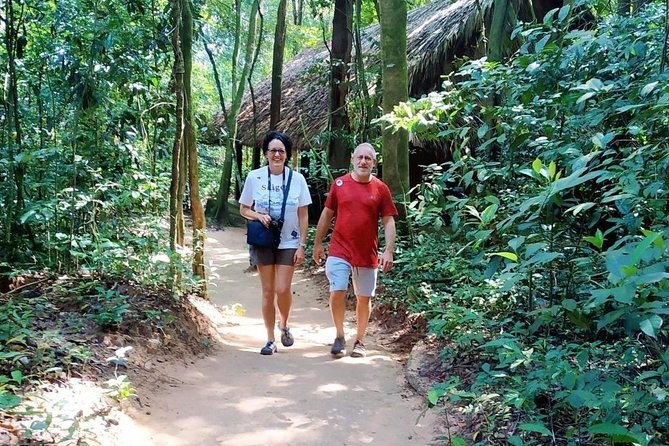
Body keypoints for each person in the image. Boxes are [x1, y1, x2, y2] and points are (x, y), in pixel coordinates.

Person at [312, 143, 397, 358]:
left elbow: (388, 222)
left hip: (367, 253)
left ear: (374, 162)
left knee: (363, 298)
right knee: (337, 290)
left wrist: (388, 251)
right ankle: (340, 336)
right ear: (352, 159)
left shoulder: (380, 188)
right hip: (339, 249)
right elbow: (327, 214)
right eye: (360, 157)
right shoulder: (339, 184)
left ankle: (359, 340)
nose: (363, 161)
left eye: (368, 158)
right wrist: (318, 243)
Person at [239, 131, 312, 355]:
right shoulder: (255, 177)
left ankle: (285, 323)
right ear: (266, 153)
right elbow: (244, 209)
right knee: (268, 291)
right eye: (273, 151)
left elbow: (303, 215)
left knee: (282, 289)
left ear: (287, 155)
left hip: (289, 241)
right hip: (264, 240)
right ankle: (270, 339)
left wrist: (302, 244)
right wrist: (259, 216)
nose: (277, 155)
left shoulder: (297, 179)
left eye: (281, 151)